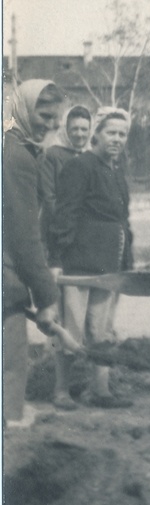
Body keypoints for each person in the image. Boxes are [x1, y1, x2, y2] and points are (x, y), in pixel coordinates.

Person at [52, 107, 135, 409]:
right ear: (96, 135)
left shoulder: (115, 173)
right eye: (111, 133)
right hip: (78, 265)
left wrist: (126, 260)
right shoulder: (80, 166)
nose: (117, 139)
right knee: (71, 328)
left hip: (108, 265)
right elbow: (65, 214)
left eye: (122, 134)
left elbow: (122, 221)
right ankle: (61, 390)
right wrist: (57, 259)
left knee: (101, 331)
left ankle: (99, 391)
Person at [2, 80, 63, 428]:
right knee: (9, 375)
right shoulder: (16, 157)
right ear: (22, 109)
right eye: (44, 115)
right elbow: (26, 239)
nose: (51, 125)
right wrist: (46, 298)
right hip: (5, 285)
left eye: (56, 118)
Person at [39, 104, 93, 410]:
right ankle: (61, 388)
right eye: (75, 129)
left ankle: (83, 384)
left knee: (84, 320)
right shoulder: (53, 157)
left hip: (85, 248)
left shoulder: (90, 159)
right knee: (61, 316)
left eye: (85, 130)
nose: (80, 134)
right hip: (60, 242)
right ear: (66, 130)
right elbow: (51, 199)